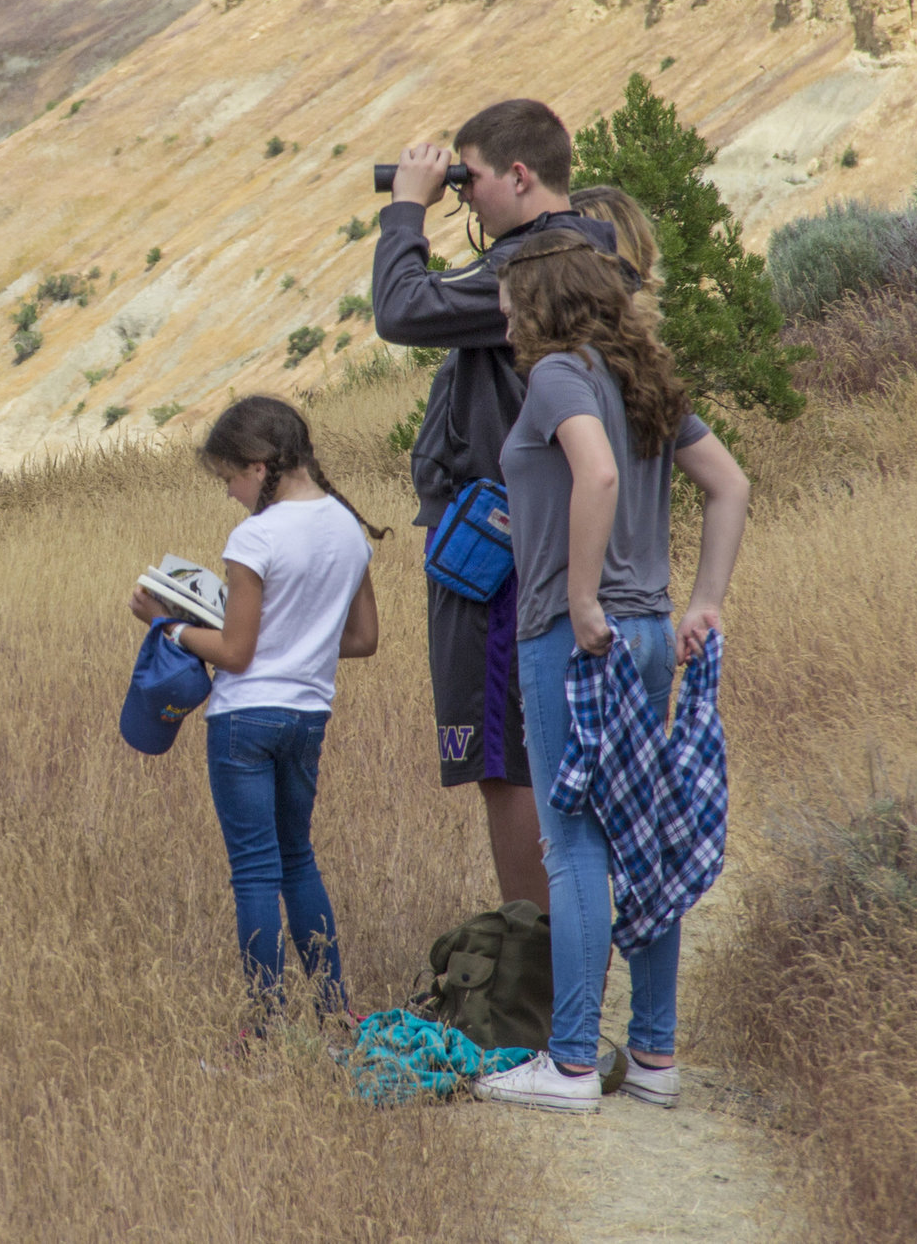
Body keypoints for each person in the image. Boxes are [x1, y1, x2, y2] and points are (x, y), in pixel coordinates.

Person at [470, 231, 750, 1114]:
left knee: (575, 841)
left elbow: (592, 473)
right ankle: (657, 1055)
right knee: (647, 835)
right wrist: (703, 600)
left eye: (509, 297)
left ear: (543, 300)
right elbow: (730, 484)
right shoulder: (644, 379)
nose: (501, 313)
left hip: (575, 636)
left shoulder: (558, 373)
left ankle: (573, 1063)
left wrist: (581, 596)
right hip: (652, 631)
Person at [372, 100, 626, 910]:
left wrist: (408, 205)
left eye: (470, 180)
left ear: (519, 175)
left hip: (500, 548)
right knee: (528, 756)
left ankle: (532, 973)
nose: (465, 197)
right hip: (528, 539)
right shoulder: (574, 256)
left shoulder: (537, 270)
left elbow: (402, 310)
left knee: (504, 761)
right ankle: (560, 972)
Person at [127, 395, 386, 1012]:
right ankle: (335, 1007)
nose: (230, 493)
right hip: (308, 715)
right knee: (298, 859)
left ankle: (266, 1022)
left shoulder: (256, 536)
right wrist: (300, 646)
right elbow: (363, 640)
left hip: (244, 721)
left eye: (229, 478)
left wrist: (168, 625)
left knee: (254, 873)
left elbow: (236, 653)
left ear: (259, 463)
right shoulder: (349, 528)